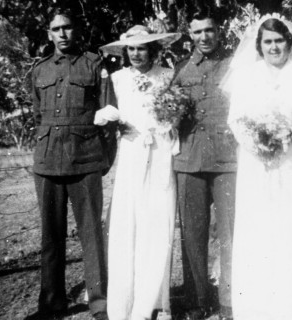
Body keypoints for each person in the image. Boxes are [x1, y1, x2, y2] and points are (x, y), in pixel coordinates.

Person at [225, 16, 292, 320]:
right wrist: (256, 145)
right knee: (260, 230)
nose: (273, 46)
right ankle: (259, 308)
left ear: (289, 42)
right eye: (267, 41)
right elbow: (234, 119)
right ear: (259, 45)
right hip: (256, 164)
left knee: (291, 227)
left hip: (291, 162)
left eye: (279, 40)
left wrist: (289, 137)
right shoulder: (245, 76)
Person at [27, 7, 115, 320]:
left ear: (75, 30)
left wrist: (103, 160)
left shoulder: (93, 63)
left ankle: (100, 302)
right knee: (51, 236)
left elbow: (108, 112)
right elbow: (38, 114)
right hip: (48, 160)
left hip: (85, 158)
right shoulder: (39, 69)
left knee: (91, 233)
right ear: (48, 34)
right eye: (56, 29)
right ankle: (52, 303)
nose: (62, 34)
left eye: (67, 28)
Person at [96, 25, 180, 320]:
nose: (135, 53)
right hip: (132, 153)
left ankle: (156, 301)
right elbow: (107, 114)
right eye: (130, 48)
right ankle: (127, 302)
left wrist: (170, 123)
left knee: (157, 222)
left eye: (142, 48)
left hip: (159, 152)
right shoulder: (117, 79)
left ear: (153, 50)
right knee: (128, 223)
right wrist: (110, 119)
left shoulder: (167, 75)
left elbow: (176, 113)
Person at [171, 5, 237, 320]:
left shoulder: (235, 65)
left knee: (231, 233)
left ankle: (229, 300)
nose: (204, 36)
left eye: (209, 30)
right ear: (190, 34)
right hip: (189, 161)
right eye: (197, 31)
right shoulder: (180, 69)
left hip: (227, 161)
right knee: (193, 236)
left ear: (218, 30)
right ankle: (197, 301)